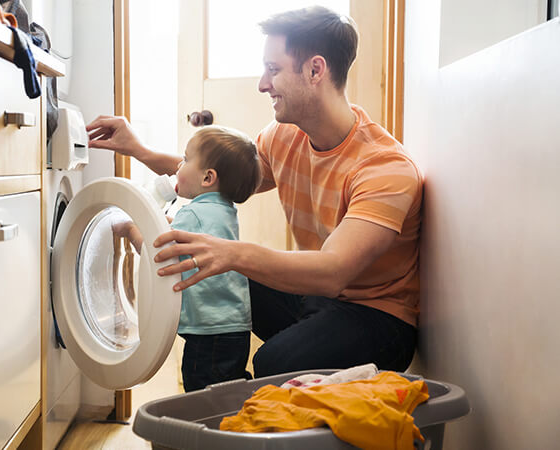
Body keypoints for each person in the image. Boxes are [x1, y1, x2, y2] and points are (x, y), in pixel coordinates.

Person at [87, 6, 422, 378]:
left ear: (315, 70)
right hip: (317, 301)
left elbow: (333, 272)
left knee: (271, 362)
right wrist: (140, 150)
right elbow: (218, 177)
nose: (263, 84)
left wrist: (231, 252)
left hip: (379, 318)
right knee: (217, 276)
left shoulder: (384, 168)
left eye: (273, 70)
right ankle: (219, 379)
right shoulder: (286, 136)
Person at [129, 125, 261, 392]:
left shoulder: (193, 215)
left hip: (208, 334)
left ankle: (209, 432)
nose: (178, 166)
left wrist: (131, 227)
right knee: (227, 389)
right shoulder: (223, 211)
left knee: (202, 394)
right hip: (233, 326)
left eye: (186, 160)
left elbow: (161, 251)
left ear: (207, 178)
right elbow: (182, 234)